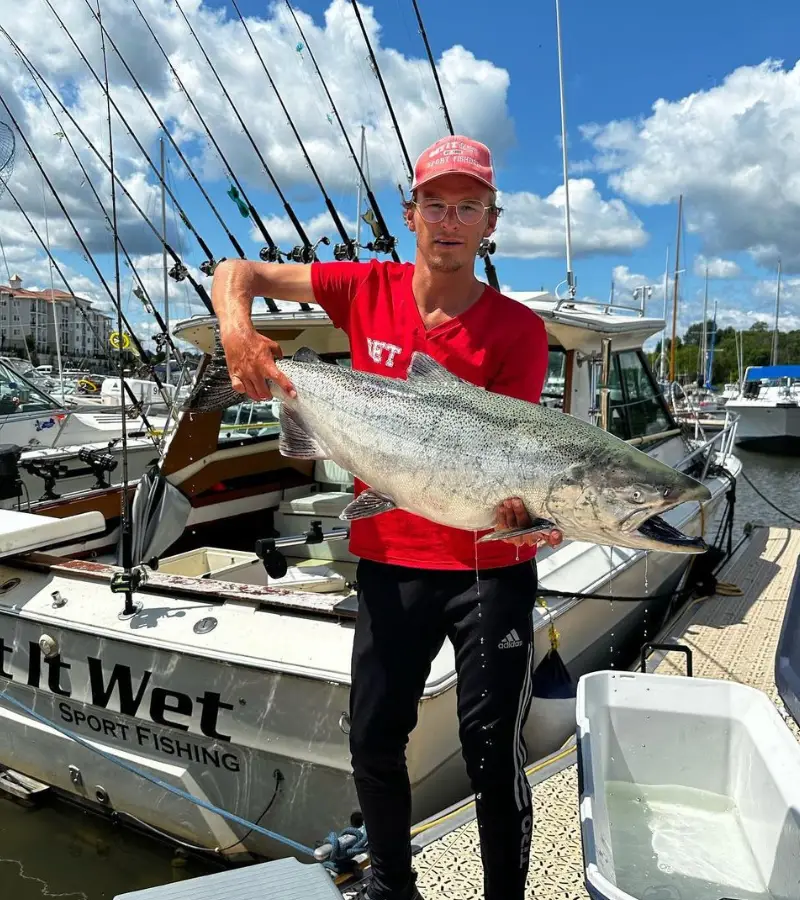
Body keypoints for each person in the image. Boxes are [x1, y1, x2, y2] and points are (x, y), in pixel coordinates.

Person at [211, 135, 562, 900]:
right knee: (373, 738)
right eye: (435, 203)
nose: (449, 220)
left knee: (491, 749)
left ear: (489, 221)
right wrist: (240, 332)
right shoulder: (363, 287)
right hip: (390, 559)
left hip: (488, 572)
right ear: (411, 214)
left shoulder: (519, 332)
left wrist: (529, 509)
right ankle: (391, 888)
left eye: (467, 206)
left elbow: (518, 461)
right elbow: (236, 272)